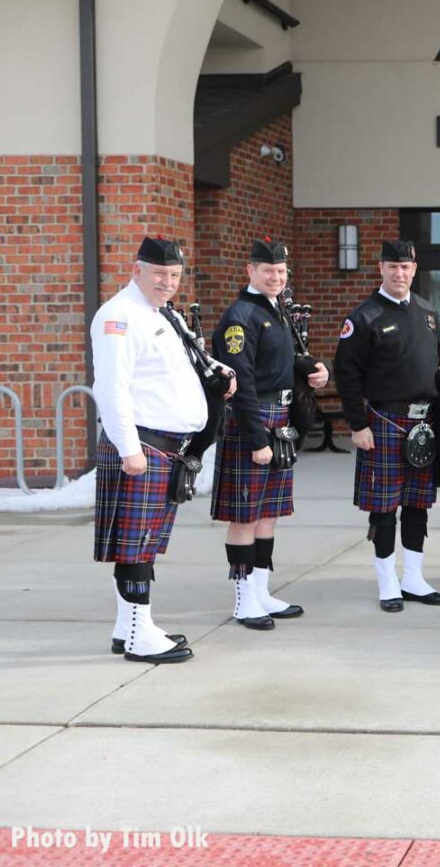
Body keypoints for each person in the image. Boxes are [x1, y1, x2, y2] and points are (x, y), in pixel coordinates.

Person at [91, 237, 233, 663]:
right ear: (137, 271)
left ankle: (129, 626)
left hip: (162, 448)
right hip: (142, 446)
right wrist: (129, 449)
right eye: (159, 274)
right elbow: (111, 387)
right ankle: (138, 636)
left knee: (143, 543)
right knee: (135, 545)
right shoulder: (119, 316)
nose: (167, 282)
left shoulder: (157, 314)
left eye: (174, 275)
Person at [334, 239, 440, 612]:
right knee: (385, 507)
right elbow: (346, 375)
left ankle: (414, 577)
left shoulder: (426, 312)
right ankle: (387, 581)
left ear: (413, 268)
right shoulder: (364, 317)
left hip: (424, 422)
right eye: (392, 266)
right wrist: (357, 425)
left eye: (405, 267)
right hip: (384, 421)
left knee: (417, 504)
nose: (399, 273)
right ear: (381, 268)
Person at [210, 238, 330, 629]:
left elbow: (281, 357)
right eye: (268, 271)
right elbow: (241, 380)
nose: (276, 277)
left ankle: (261, 591)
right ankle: (244, 600)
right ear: (251, 271)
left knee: (269, 513)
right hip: (253, 419)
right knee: (246, 515)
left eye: (281, 271)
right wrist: (257, 440)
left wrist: (313, 367)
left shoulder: (276, 310)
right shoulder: (240, 317)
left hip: (279, 417)